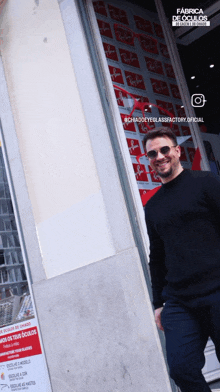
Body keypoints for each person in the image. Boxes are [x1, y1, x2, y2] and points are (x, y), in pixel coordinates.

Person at [144, 127, 220, 392]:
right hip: (180, 301)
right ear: (148, 160)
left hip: (217, 289)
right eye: (152, 153)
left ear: (177, 151)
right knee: (181, 368)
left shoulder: (206, 183)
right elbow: (157, 257)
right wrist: (157, 303)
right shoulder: (152, 206)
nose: (160, 156)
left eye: (165, 149)